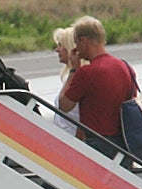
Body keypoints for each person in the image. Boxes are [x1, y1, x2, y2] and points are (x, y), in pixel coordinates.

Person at [57, 15, 132, 158]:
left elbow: (64, 105)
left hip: (97, 143)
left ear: (84, 41)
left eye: (76, 43)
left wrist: (74, 69)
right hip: (123, 144)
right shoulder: (124, 66)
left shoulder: (87, 72)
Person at [50, 26, 84, 138]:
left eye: (60, 45)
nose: (57, 50)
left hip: (71, 141)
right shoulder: (72, 76)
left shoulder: (79, 77)